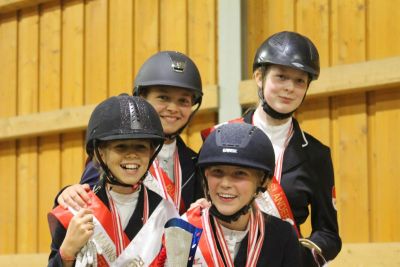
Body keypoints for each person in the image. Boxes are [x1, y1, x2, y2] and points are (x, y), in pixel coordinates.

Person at [201, 31, 341, 266]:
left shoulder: (317, 154)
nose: (289, 88)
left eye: (299, 81)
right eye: (281, 77)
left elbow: (328, 234)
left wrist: (296, 255)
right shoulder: (218, 138)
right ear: (259, 76)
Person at [56, 51, 204, 215]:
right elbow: (86, 202)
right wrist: (68, 193)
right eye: (163, 97)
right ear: (141, 98)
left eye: (183, 101)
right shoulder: (111, 155)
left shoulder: (195, 163)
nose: (173, 108)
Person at [47, 94, 178, 266]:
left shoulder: (165, 213)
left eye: (141, 147)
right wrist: (67, 253)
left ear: (152, 152)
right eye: (120, 146)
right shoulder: (77, 209)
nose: (132, 154)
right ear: (100, 152)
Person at [181, 123, 301, 266]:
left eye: (239, 174)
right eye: (217, 172)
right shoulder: (183, 231)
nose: (225, 184)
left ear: (263, 181)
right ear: (205, 176)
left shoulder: (283, 236)